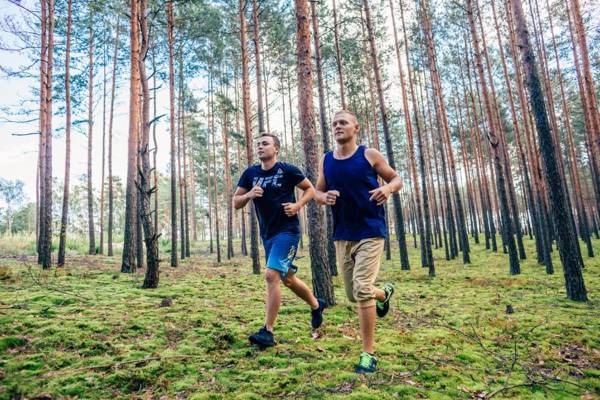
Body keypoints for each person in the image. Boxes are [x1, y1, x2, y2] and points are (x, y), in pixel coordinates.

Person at [315, 110, 400, 373]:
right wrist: (324, 196)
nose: (338, 126)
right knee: (354, 294)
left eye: (343, 123)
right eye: (334, 124)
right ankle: (383, 294)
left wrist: (386, 188)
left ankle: (368, 354)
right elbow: (317, 191)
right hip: (343, 233)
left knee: (362, 288)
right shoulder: (326, 159)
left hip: (370, 230)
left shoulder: (369, 154)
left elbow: (396, 179)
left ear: (356, 127)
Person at [233, 133, 326, 348]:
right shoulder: (250, 174)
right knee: (287, 279)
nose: (260, 147)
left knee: (271, 274)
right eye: (258, 144)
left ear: (276, 149)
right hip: (268, 235)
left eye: (265, 144)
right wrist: (248, 196)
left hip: (288, 231)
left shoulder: (288, 170)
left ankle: (268, 332)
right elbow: (235, 202)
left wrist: (297, 206)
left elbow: (310, 189)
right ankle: (315, 304)